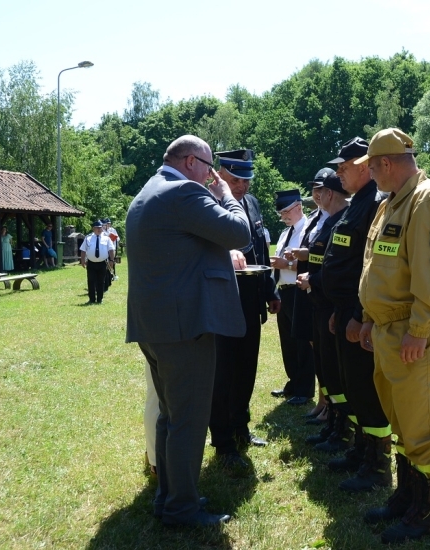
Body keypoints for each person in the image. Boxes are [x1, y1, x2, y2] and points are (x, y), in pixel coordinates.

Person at [125, 134, 250, 525]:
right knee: (188, 420)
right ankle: (181, 507)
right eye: (211, 168)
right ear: (192, 162)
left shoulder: (149, 191)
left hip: (156, 325)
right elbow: (239, 232)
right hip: (185, 327)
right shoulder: (182, 193)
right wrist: (227, 193)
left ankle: (169, 497)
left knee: (170, 417)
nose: (213, 175)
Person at [357, 127, 430, 544]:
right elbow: (377, 266)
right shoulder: (393, 203)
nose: (371, 176)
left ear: (386, 163)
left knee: (421, 426)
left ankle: (428, 512)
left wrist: (418, 331)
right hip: (389, 331)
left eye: (372, 168)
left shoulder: (427, 200)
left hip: (413, 333)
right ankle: (407, 496)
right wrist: (369, 318)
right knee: (401, 420)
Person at [320, 136, 392, 494]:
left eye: (344, 167)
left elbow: (371, 268)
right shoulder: (357, 204)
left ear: (365, 166)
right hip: (346, 309)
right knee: (353, 386)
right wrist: (340, 309)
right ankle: (362, 450)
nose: (339, 173)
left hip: (358, 313)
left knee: (366, 389)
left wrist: (359, 315)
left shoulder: (375, 204)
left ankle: (377, 465)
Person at [209, 148, 276, 472]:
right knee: (223, 373)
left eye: (247, 181)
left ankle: (241, 428)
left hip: (250, 299)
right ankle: (223, 441)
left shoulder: (251, 203)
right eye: (236, 180)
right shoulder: (208, 203)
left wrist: (271, 291)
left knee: (246, 369)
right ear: (221, 175)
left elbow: (261, 248)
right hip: (222, 301)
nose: (243, 187)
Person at [295, 172, 352, 455]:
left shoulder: (342, 220)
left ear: (330, 193)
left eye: (320, 191)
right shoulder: (328, 220)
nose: (317, 196)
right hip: (319, 302)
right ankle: (332, 420)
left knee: (336, 370)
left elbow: (337, 268)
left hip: (331, 303)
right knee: (326, 367)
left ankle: (339, 425)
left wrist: (313, 280)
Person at [270, 190, 315, 406]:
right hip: (285, 291)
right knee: (287, 342)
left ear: (298, 206)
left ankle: (305, 389)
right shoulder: (284, 233)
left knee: (302, 342)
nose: (283, 217)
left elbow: (312, 263)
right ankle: (293, 382)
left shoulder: (309, 230)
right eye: (281, 213)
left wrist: (285, 264)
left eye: (286, 211)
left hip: (300, 291)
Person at [79, 220, 115, 304]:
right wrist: (83, 260)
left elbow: (111, 250)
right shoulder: (88, 238)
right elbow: (83, 250)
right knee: (91, 281)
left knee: (101, 281)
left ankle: (100, 299)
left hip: (102, 263)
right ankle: (91, 299)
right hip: (91, 263)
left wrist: (112, 260)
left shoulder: (107, 238)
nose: (99, 229)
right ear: (93, 229)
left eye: (100, 227)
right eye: (97, 228)